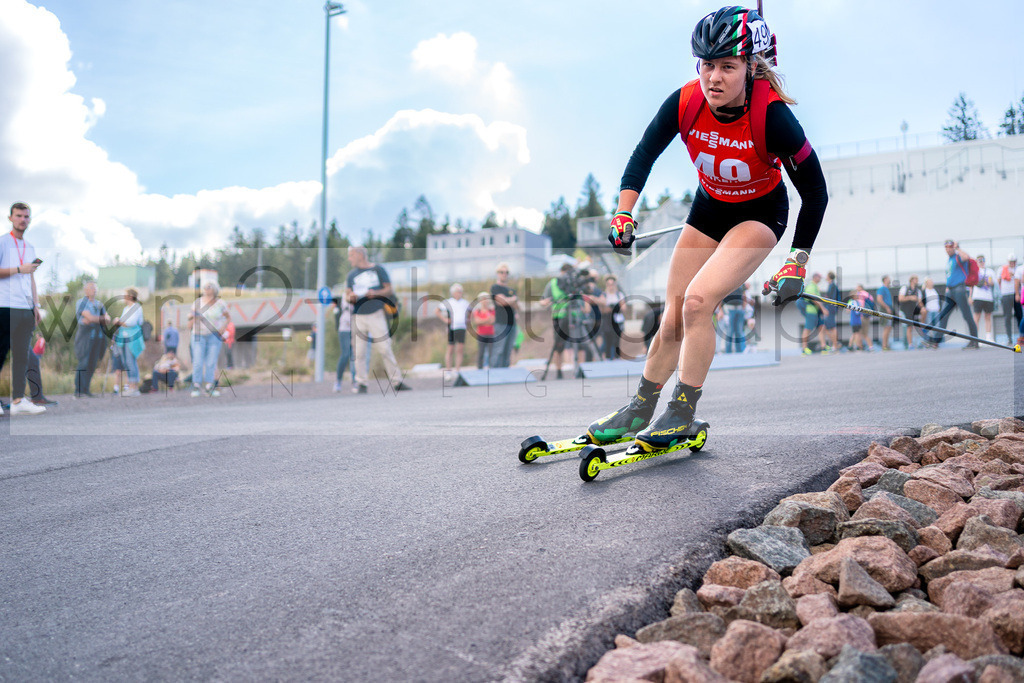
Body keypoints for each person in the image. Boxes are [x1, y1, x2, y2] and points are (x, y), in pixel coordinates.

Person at [595, 6, 827, 450]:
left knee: (698, 303)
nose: (713, 77)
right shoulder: (685, 102)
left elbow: (815, 193)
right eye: (706, 65)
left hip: (759, 214)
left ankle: (682, 411)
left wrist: (797, 262)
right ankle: (640, 407)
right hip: (708, 210)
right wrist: (624, 212)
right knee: (674, 313)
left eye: (727, 66)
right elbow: (642, 156)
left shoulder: (773, 117)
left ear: (751, 68)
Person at [0, 202, 45, 416]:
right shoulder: (2, 242)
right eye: (18, 216)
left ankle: (18, 400)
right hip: (4, 306)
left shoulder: (31, 247)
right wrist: (20, 268)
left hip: (25, 308)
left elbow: (32, 278)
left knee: (21, 356)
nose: (22, 220)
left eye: (26, 216)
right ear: (10, 218)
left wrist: (35, 305)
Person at [345, 245, 409, 393]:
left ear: (360, 255)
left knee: (385, 348)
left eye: (351, 255)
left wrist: (375, 293)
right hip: (358, 316)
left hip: (376, 313)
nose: (350, 259)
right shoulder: (351, 275)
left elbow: (389, 289)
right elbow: (348, 295)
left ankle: (397, 381)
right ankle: (361, 383)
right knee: (359, 352)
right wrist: (351, 297)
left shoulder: (378, 270)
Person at [929, 240, 979, 349]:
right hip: (950, 290)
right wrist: (947, 287)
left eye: (950, 247)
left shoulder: (958, 256)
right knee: (943, 315)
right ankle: (936, 341)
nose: (947, 249)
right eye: (946, 247)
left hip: (959, 289)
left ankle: (974, 341)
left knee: (967, 315)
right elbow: (950, 276)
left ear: (954, 247)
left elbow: (966, 257)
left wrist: (957, 248)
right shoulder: (949, 260)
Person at [187, 281, 230, 397]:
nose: (206, 288)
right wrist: (191, 318)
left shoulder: (220, 303)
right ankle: (196, 386)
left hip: (214, 335)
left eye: (209, 287)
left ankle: (209, 386)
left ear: (215, 289)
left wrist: (223, 327)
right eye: (205, 287)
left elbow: (227, 317)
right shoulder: (198, 302)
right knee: (198, 361)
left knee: (211, 361)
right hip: (198, 334)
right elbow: (189, 317)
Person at [74, 280, 110, 397]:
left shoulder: (99, 304)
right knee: (83, 362)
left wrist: (93, 319)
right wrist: (100, 319)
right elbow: (89, 317)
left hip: (98, 338)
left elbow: (107, 319)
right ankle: (78, 390)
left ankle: (86, 389)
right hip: (85, 338)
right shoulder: (81, 303)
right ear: (86, 290)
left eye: (95, 288)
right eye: (92, 288)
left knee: (92, 363)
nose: (94, 290)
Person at [111, 288, 144, 397]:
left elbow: (131, 322)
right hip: (123, 337)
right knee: (125, 362)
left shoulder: (136, 307)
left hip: (132, 338)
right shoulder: (126, 308)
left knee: (131, 361)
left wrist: (119, 322)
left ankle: (134, 387)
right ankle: (130, 386)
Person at [436, 283, 470, 375]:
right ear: (453, 293)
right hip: (452, 328)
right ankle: (448, 371)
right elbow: (437, 311)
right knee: (450, 348)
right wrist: (445, 319)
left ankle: (458, 370)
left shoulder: (465, 303)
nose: (459, 293)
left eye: (460, 292)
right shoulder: (449, 302)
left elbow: (470, 313)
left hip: (462, 327)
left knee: (460, 349)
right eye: (457, 292)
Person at [490, 263, 518, 368]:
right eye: (502, 272)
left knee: (508, 350)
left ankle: (505, 374)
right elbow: (501, 302)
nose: (504, 274)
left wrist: (508, 300)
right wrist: (511, 300)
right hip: (501, 323)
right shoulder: (495, 287)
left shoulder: (511, 290)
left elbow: (517, 306)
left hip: (512, 324)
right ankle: (494, 373)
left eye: (506, 272)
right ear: (497, 274)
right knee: (499, 349)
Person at [26, 333, 57, 406]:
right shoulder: (39, 340)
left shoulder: (41, 340)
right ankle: (20, 398)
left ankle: (36, 397)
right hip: (17, 333)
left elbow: (40, 347)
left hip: (36, 353)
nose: (36, 336)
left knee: (33, 361)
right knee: (31, 361)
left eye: (37, 335)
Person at [332, 296, 355, 392]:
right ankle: (338, 381)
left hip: (357, 329)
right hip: (344, 329)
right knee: (346, 354)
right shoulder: (344, 298)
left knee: (355, 355)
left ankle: (355, 381)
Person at [600, 275, 626, 359]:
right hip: (607, 320)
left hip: (617, 319)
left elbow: (624, 307)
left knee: (616, 340)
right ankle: (608, 357)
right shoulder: (604, 295)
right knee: (608, 339)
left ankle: (616, 357)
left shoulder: (619, 295)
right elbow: (602, 309)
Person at [971, 254, 995, 343]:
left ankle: (988, 337)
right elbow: (971, 286)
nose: (981, 262)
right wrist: (970, 297)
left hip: (988, 297)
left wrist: (989, 281)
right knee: (976, 317)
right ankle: (975, 337)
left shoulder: (990, 271)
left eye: (982, 260)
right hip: (977, 297)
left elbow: (992, 283)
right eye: (979, 260)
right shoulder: (974, 271)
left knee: (988, 317)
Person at [800, 272, 826, 355]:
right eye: (819, 277)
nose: (820, 279)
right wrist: (823, 309)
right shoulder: (811, 286)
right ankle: (804, 348)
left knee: (821, 327)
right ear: (815, 277)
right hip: (811, 310)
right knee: (808, 328)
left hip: (815, 311)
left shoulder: (815, 286)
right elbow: (813, 298)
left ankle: (823, 346)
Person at [721, 282, 749, 353]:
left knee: (739, 331)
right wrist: (721, 311)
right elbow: (721, 297)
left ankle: (740, 351)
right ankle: (728, 352)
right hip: (730, 310)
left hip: (739, 309)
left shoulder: (741, 283)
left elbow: (744, 295)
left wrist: (744, 307)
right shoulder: (726, 283)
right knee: (730, 332)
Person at [897, 275, 923, 349]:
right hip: (904, 311)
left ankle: (909, 344)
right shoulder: (905, 288)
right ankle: (909, 344)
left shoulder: (918, 291)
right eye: (916, 279)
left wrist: (923, 309)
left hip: (912, 311)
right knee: (907, 327)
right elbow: (900, 299)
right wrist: (910, 298)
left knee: (909, 327)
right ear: (911, 280)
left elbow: (920, 302)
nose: (917, 281)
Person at [846, 284, 874, 352]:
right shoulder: (867, 295)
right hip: (861, 318)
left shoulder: (855, 300)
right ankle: (859, 346)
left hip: (857, 319)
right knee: (858, 333)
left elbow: (849, 311)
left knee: (857, 333)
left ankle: (856, 346)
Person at [471, 292, 496, 369]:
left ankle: (492, 367)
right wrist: (487, 320)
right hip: (481, 334)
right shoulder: (477, 311)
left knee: (491, 352)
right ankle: (480, 368)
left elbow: (492, 321)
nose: (485, 301)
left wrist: (482, 320)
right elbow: (477, 322)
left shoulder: (492, 310)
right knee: (481, 352)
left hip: (491, 333)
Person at [997, 254, 1018, 344]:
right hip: (1005, 295)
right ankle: (1009, 338)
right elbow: (998, 282)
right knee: (1007, 317)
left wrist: (1014, 275)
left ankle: (1021, 336)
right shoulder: (1001, 269)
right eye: (1011, 262)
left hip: (1016, 295)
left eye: (1014, 262)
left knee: (1019, 316)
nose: (1012, 263)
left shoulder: (1018, 270)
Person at [820, 270, 839, 352]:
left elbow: (831, 299)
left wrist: (827, 309)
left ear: (829, 277)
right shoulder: (831, 285)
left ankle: (835, 345)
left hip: (830, 308)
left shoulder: (833, 286)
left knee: (831, 327)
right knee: (827, 327)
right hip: (830, 308)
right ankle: (835, 344)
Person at [875, 275, 894, 351]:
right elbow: (879, 299)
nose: (890, 280)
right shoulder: (882, 288)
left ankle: (886, 345)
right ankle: (884, 346)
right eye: (888, 279)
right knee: (886, 327)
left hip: (888, 309)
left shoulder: (886, 289)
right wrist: (887, 308)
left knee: (889, 327)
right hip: (885, 310)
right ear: (885, 280)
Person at [921, 277, 942, 349]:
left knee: (937, 326)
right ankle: (927, 342)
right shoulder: (924, 291)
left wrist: (939, 308)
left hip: (936, 310)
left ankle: (935, 342)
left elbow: (938, 300)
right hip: (929, 310)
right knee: (928, 327)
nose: (931, 283)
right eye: (930, 282)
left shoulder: (935, 290)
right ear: (927, 283)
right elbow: (922, 301)